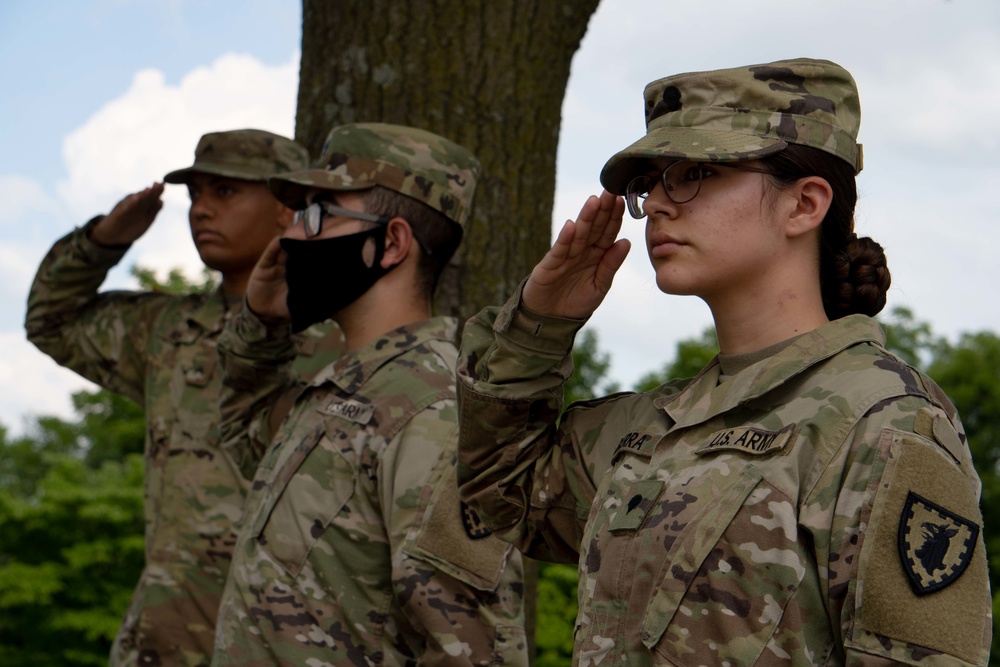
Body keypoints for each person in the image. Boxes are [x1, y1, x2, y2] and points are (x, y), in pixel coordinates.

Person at [456, 58, 991, 665]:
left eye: (696, 172)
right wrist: (537, 327)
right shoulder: (651, 427)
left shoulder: (884, 426)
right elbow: (500, 493)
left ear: (804, 205)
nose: (658, 201)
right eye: (653, 181)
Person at [211, 122, 529, 665]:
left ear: (391, 243)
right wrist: (259, 326)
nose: (290, 237)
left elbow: (471, 651)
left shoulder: (431, 409)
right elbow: (238, 438)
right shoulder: (342, 389)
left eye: (318, 215)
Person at [25, 129, 343, 666]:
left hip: (281, 639)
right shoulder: (169, 329)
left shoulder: (337, 336)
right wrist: (102, 241)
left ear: (287, 211)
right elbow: (50, 321)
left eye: (225, 192)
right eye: (195, 195)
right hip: (160, 638)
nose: (200, 210)